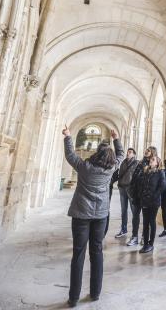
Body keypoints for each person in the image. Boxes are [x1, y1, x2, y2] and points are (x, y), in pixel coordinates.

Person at [62, 126, 124, 307]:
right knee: (97, 252)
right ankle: (95, 293)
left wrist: (67, 137)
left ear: (97, 154)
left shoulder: (84, 167)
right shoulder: (112, 168)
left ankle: (74, 297)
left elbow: (70, 155)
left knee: (78, 253)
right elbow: (120, 155)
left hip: (81, 214)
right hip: (100, 215)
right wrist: (117, 138)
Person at [126, 146, 158, 246]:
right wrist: (131, 189)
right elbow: (135, 176)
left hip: (146, 195)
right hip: (136, 193)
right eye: (146, 150)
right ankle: (134, 237)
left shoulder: (155, 163)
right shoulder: (140, 162)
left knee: (146, 219)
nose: (146, 151)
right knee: (135, 216)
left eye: (148, 150)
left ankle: (145, 237)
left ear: (152, 152)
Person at [137, 156, 165, 253]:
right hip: (145, 200)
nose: (150, 161)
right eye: (151, 159)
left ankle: (151, 244)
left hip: (154, 202)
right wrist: (141, 195)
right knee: (145, 223)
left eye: (153, 160)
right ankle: (145, 244)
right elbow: (141, 184)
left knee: (151, 222)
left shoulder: (160, 172)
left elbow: (162, 186)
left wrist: (154, 196)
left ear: (157, 163)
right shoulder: (146, 171)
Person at [115, 148, 139, 238]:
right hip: (122, 188)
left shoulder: (136, 163)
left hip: (131, 189)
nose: (128, 153)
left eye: (130, 152)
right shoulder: (123, 162)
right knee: (123, 210)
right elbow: (119, 173)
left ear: (134, 154)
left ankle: (135, 233)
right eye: (127, 152)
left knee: (134, 211)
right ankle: (123, 229)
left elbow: (137, 176)